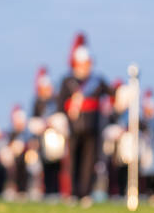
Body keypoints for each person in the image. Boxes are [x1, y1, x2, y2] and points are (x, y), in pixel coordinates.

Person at [57, 33, 115, 202]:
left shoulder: (97, 80)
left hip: (92, 126)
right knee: (73, 161)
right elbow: (61, 104)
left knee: (89, 162)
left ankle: (85, 193)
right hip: (73, 127)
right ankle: (73, 192)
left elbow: (112, 94)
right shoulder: (67, 81)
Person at [31, 66, 61, 197]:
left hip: (56, 138)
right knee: (45, 165)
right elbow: (34, 120)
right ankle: (48, 190)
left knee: (57, 165)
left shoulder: (56, 101)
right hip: (42, 138)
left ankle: (56, 190)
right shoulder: (37, 102)